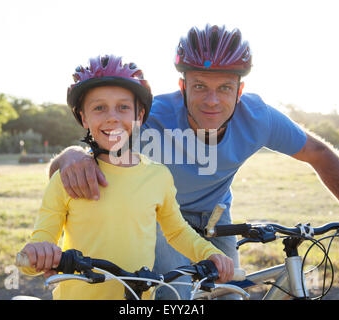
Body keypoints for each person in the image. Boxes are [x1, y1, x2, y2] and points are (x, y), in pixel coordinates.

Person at [48, 25, 339, 299]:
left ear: (239, 91)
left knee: (228, 292)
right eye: (199, 86)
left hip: (215, 217)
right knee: (175, 293)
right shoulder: (153, 116)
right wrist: (73, 156)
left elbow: (320, 153)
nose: (212, 100)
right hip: (159, 217)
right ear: (182, 86)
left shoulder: (258, 118)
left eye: (224, 88)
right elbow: (86, 150)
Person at [19, 54, 234, 300]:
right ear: (84, 117)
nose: (112, 117)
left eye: (123, 107)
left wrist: (209, 253)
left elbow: (176, 231)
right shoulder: (67, 179)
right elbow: (37, 246)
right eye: (99, 108)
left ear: (139, 116)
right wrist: (37, 253)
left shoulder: (158, 176)